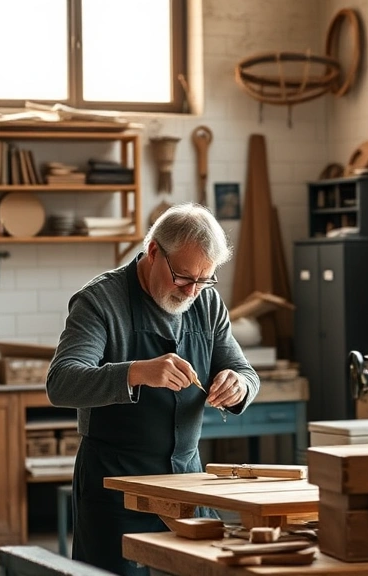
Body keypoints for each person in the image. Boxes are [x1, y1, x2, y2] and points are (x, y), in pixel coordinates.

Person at [46, 203, 260, 576]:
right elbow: (62, 382)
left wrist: (238, 385)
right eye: (182, 277)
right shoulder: (100, 301)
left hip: (188, 484)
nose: (192, 290)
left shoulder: (206, 302)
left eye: (204, 279)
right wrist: (135, 372)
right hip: (116, 487)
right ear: (154, 251)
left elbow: (244, 371)